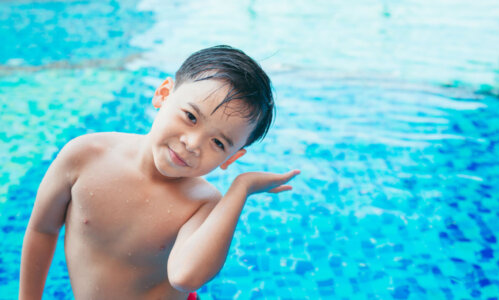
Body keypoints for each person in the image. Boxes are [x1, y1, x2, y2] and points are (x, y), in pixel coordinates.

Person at [19, 45, 300, 300]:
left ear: (232, 157)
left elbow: (185, 277)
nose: (192, 144)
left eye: (218, 143)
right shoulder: (84, 156)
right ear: (163, 94)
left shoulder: (202, 203)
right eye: (190, 117)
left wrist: (241, 189)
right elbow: (42, 229)